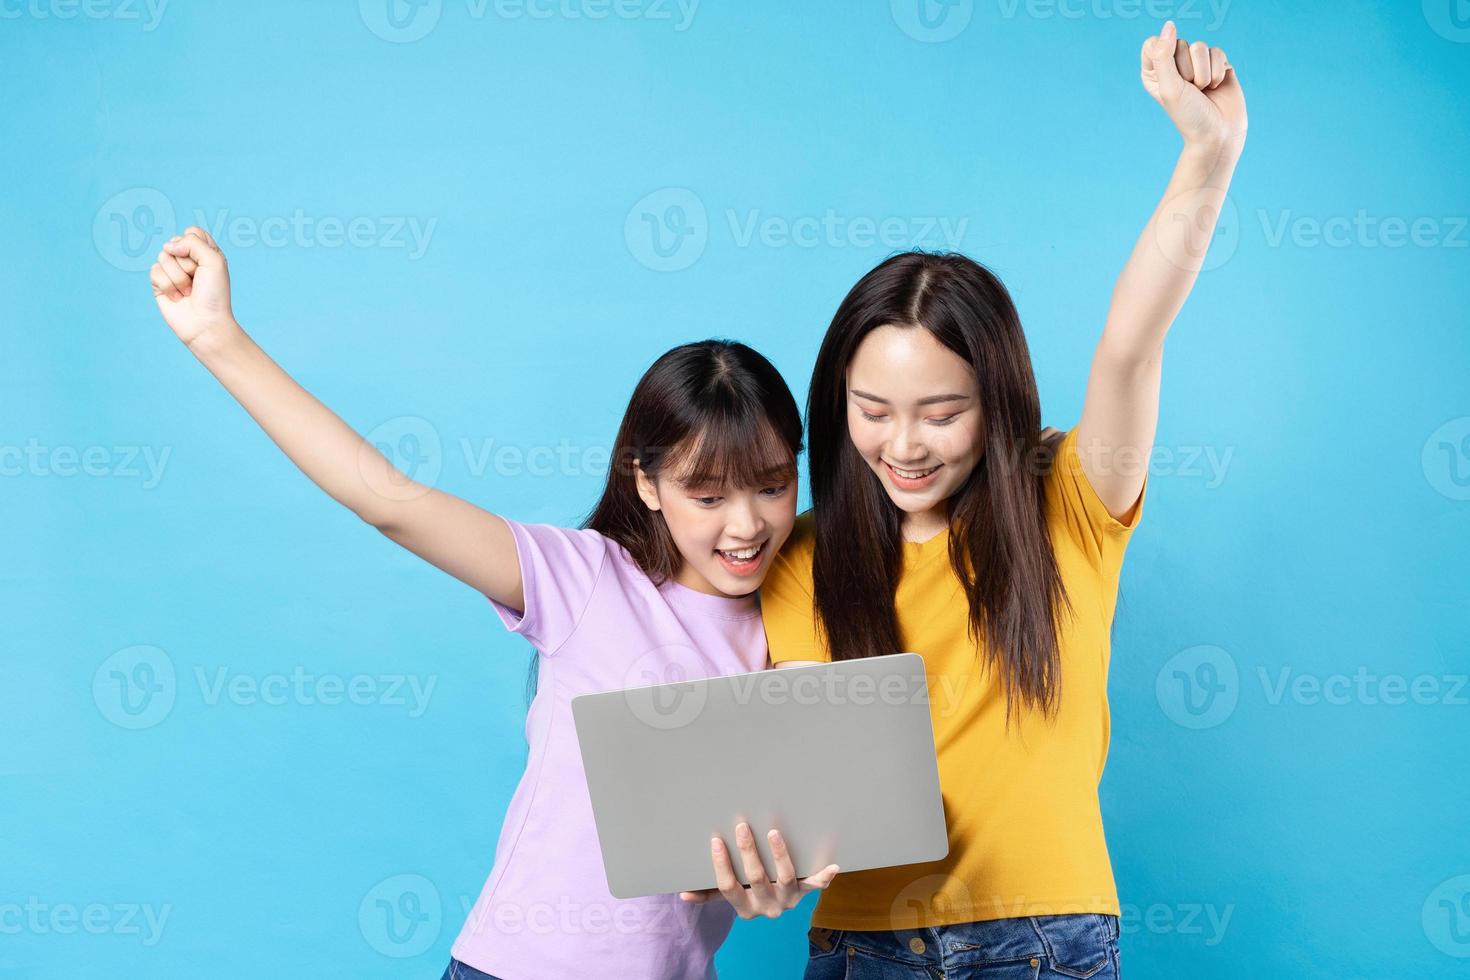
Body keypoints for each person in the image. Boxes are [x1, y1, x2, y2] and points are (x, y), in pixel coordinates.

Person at [146, 226, 839, 979]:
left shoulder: (796, 616)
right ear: (647, 484)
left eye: (773, 485)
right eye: (707, 496)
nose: (747, 525)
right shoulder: (586, 577)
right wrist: (218, 337)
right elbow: (389, 501)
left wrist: (778, 875)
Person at [754, 20, 1247, 978]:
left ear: (998, 402)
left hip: (1043, 942)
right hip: (860, 944)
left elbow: (1130, 343)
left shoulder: (1068, 504)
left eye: (942, 412)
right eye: (872, 411)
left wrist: (1208, 154)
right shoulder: (793, 555)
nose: (903, 445)